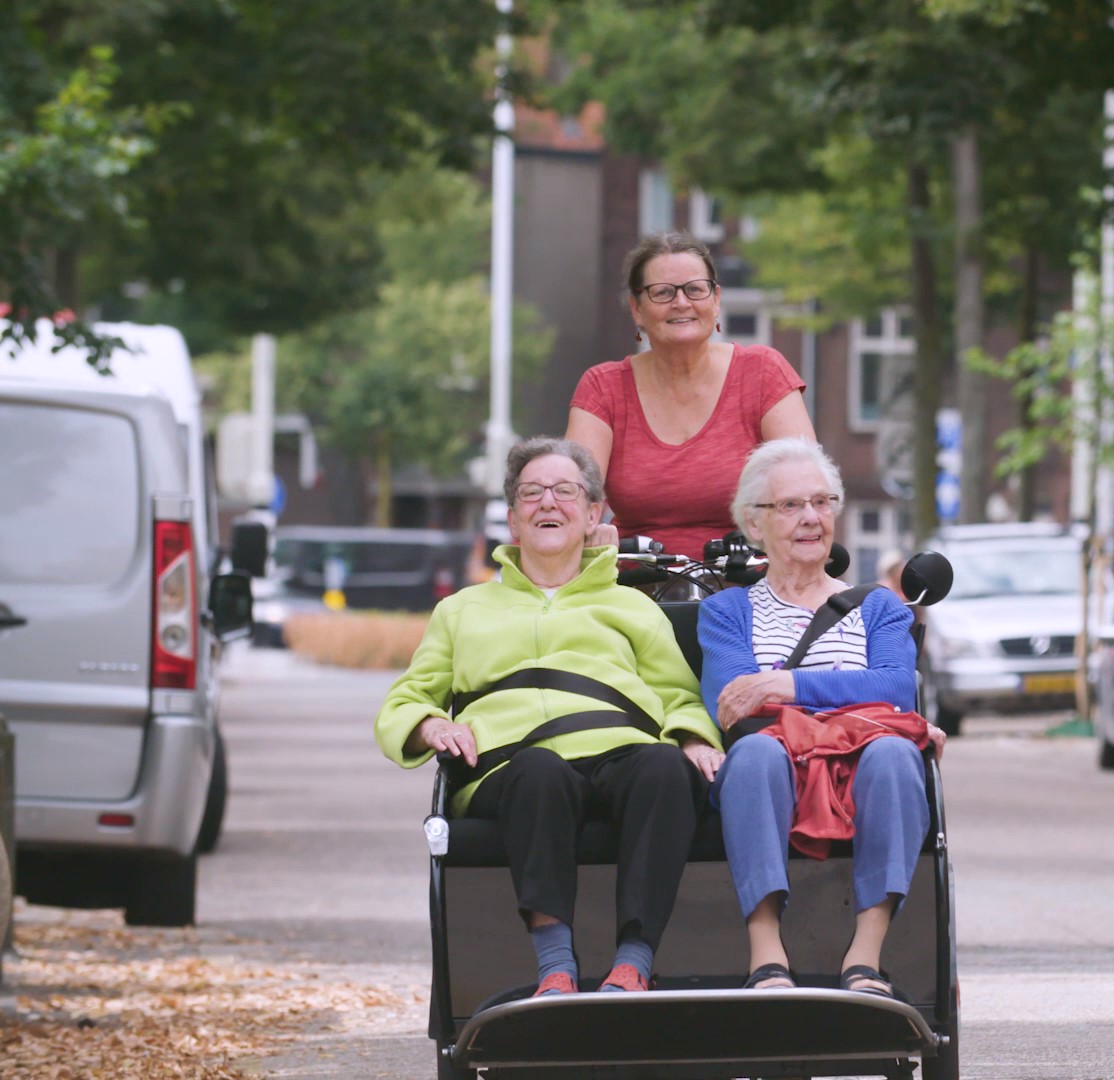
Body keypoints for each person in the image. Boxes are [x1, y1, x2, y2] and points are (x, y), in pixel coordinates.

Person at [375, 437, 726, 997]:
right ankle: (555, 966)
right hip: (510, 767)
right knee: (540, 772)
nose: (547, 503)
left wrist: (690, 740)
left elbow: (679, 696)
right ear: (513, 521)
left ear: (592, 516)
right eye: (532, 493)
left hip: (619, 752)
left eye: (565, 492)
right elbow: (404, 700)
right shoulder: (461, 610)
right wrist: (429, 724)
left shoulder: (633, 606)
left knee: (664, 768)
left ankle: (633, 961)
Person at [697, 439, 945, 996]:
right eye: (790, 506)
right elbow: (737, 702)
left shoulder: (879, 606)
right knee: (757, 751)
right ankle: (767, 953)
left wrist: (789, 683)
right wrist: (849, 698)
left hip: (862, 765)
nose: (811, 518)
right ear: (754, 525)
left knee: (894, 753)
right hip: (771, 766)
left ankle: (865, 954)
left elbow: (897, 689)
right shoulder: (727, 611)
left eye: (822, 502)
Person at [566, 231, 815, 558]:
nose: (681, 303)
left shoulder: (763, 373)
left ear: (716, 300)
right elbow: (570, 498)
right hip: (635, 593)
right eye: (663, 292)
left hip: (751, 591)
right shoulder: (603, 388)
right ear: (636, 309)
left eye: (695, 290)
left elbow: (809, 491)